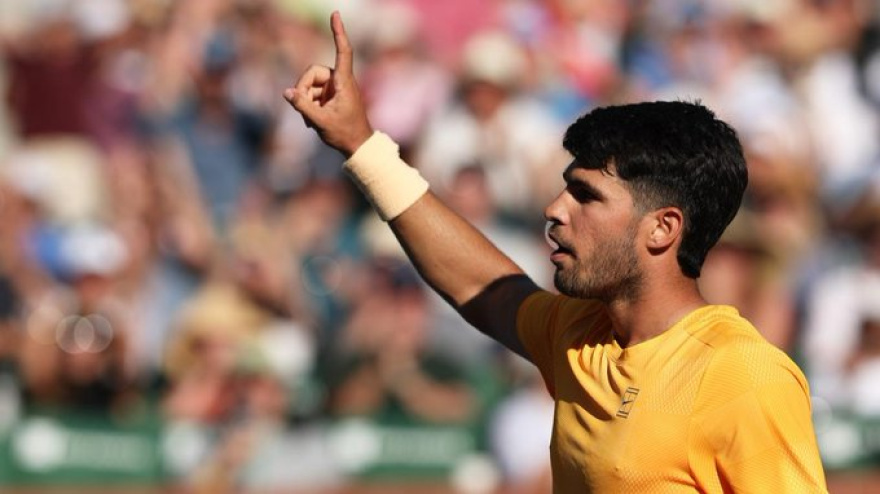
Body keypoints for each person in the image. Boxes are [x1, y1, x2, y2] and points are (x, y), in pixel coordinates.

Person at [284, 12, 827, 493]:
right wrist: (362, 145)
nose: (554, 208)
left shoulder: (741, 374)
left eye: (586, 195)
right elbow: (478, 283)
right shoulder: (582, 337)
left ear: (662, 229)